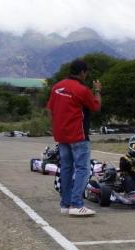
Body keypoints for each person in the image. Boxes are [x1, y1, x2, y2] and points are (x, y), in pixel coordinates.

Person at [47, 59, 101, 216]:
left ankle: (65, 204)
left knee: (66, 168)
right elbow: (96, 106)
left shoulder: (57, 87)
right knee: (83, 169)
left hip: (61, 135)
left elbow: (50, 109)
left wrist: (55, 126)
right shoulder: (82, 89)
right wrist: (97, 90)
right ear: (83, 72)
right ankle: (76, 204)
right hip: (78, 135)